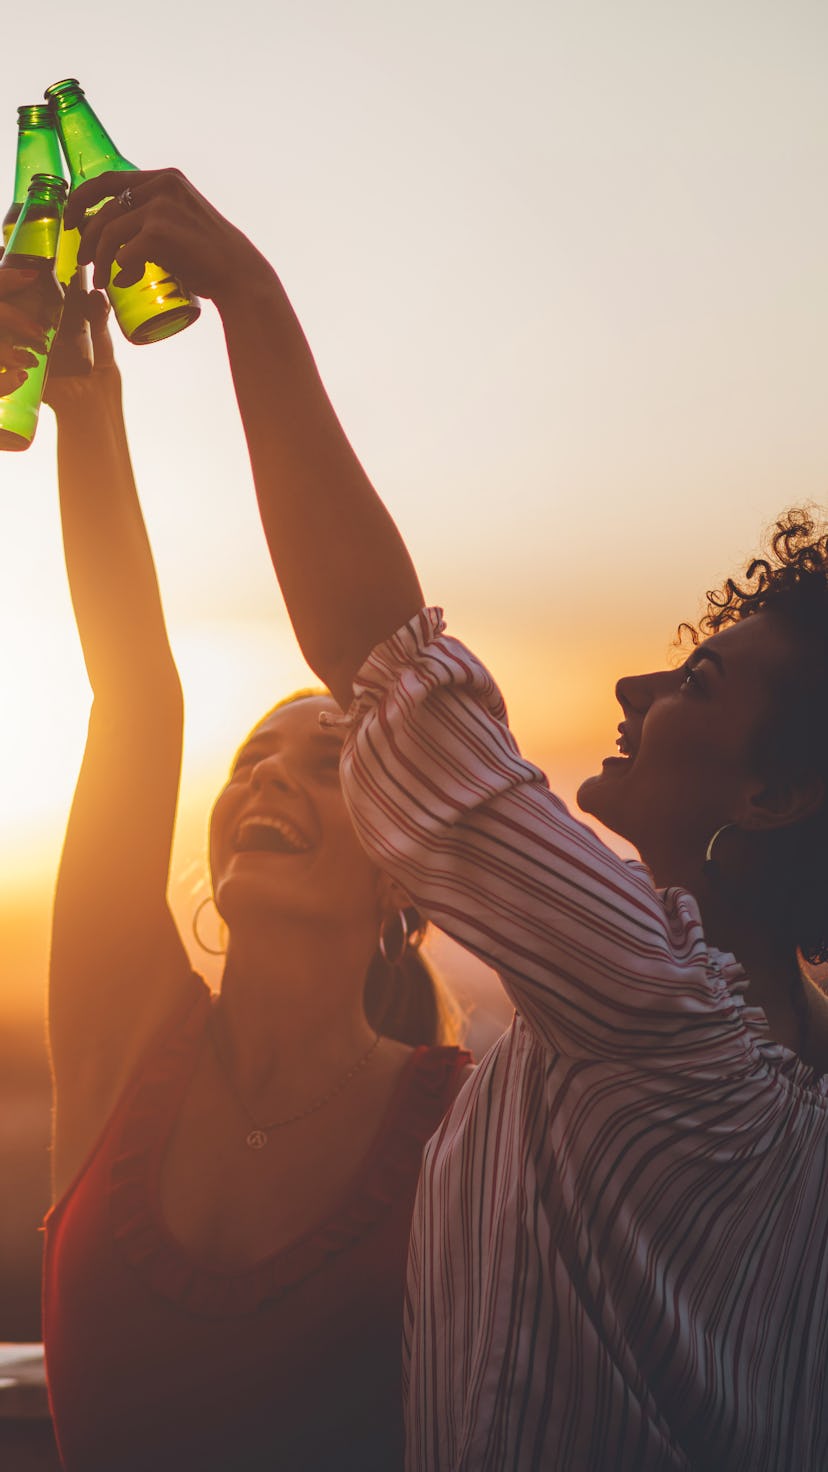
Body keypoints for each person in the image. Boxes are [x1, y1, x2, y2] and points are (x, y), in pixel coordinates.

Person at [68, 170, 828, 1470]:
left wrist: (247, 293)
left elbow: (396, 680)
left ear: (770, 797)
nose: (637, 685)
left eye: (699, 679)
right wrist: (82, 386)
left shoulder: (658, 1006)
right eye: (256, 756)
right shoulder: (745, 1067)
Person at [9, 280, 472, 1472]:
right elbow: (134, 693)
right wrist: (82, 396)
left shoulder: (468, 1123)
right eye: (251, 759)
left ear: (399, 871)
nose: (265, 779)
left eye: (324, 765)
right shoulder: (125, 1034)